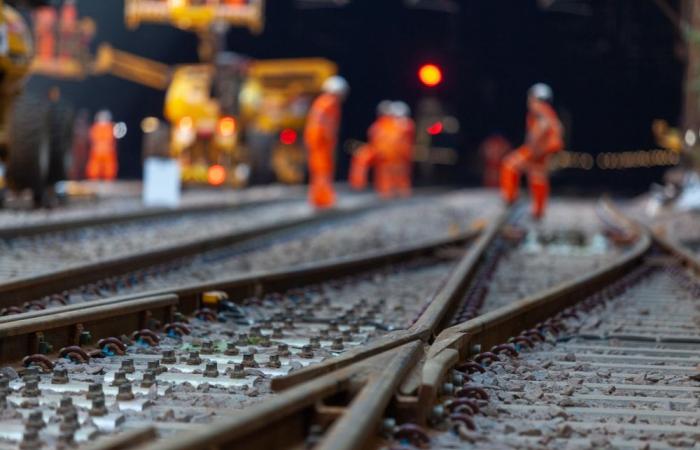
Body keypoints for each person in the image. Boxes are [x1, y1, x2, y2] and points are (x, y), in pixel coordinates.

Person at [500, 83, 563, 218]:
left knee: (510, 165)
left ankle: (511, 199)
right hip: (544, 150)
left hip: (538, 150)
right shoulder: (547, 111)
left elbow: (545, 126)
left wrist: (533, 143)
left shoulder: (540, 109)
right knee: (537, 176)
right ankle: (538, 211)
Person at [350, 101, 415, 198]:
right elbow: (373, 136)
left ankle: (398, 191)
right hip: (384, 154)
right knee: (384, 173)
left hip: (397, 155)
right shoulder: (382, 124)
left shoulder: (403, 125)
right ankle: (362, 185)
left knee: (398, 174)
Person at [303, 75, 349, 208]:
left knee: (321, 171)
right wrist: (321, 141)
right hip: (320, 143)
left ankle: (320, 198)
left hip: (321, 143)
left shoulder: (327, 103)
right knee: (322, 170)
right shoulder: (327, 103)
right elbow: (319, 125)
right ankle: (323, 198)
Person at [86, 110, 118, 180]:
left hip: (107, 151)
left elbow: (113, 139)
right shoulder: (95, 127)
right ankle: (94, 178)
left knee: (109, 166)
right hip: (97, 150)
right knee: (95, 165)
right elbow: (92, 138)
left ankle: (108, 178)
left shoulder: (111, 127)